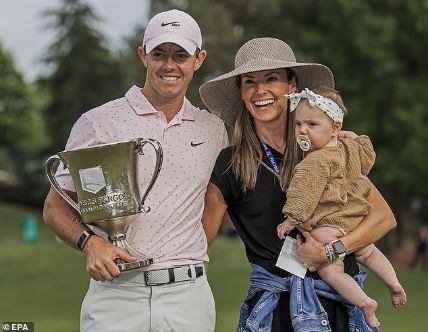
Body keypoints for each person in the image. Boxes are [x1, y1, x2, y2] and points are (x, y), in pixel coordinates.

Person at [43, 9, 228, 332]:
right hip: (117, 295)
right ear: (143, 56)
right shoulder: (99, 122)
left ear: (198, 60)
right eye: (159, 53)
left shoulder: (213, 129)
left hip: (188, 298)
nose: (169, 65)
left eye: (180, 55)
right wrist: (91, 243)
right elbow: (54, 206)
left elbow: (215, 201)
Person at [199, 37, 397, 332]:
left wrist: (330, 252)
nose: (260, 90)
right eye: (249, 82)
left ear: (291, 86)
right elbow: (201, 248)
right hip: (275, 310)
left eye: (272, 79)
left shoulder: (328, 147)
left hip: (343, 302)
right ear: (241, 92)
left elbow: (383, 218)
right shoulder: (229, 164)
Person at [276, 87, 406, 327]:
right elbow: (368, 157)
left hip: (329, 226)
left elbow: (303, 196)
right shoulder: (350, 149)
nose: (303, 130)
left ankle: (365, 302)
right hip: (354, 220)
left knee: (331, 272)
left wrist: (291, 220)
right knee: (369, 252)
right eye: (298, 125)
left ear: (334, 127)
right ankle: (394, 284)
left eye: (312, 125)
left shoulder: (313, 162)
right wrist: (352, 136)